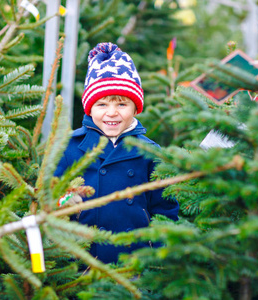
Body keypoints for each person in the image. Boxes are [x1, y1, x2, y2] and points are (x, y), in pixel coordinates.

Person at [54, 42, 179, 264]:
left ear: (135, 108)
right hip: (82, 262)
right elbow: (50, 194)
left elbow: (164, 210)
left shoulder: (149, 152)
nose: (112, 113)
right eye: (102, 105)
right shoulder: (70, 148)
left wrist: (160, 260)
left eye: (122, 104)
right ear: (89, 108)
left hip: (135, 261)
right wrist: (64, 201)